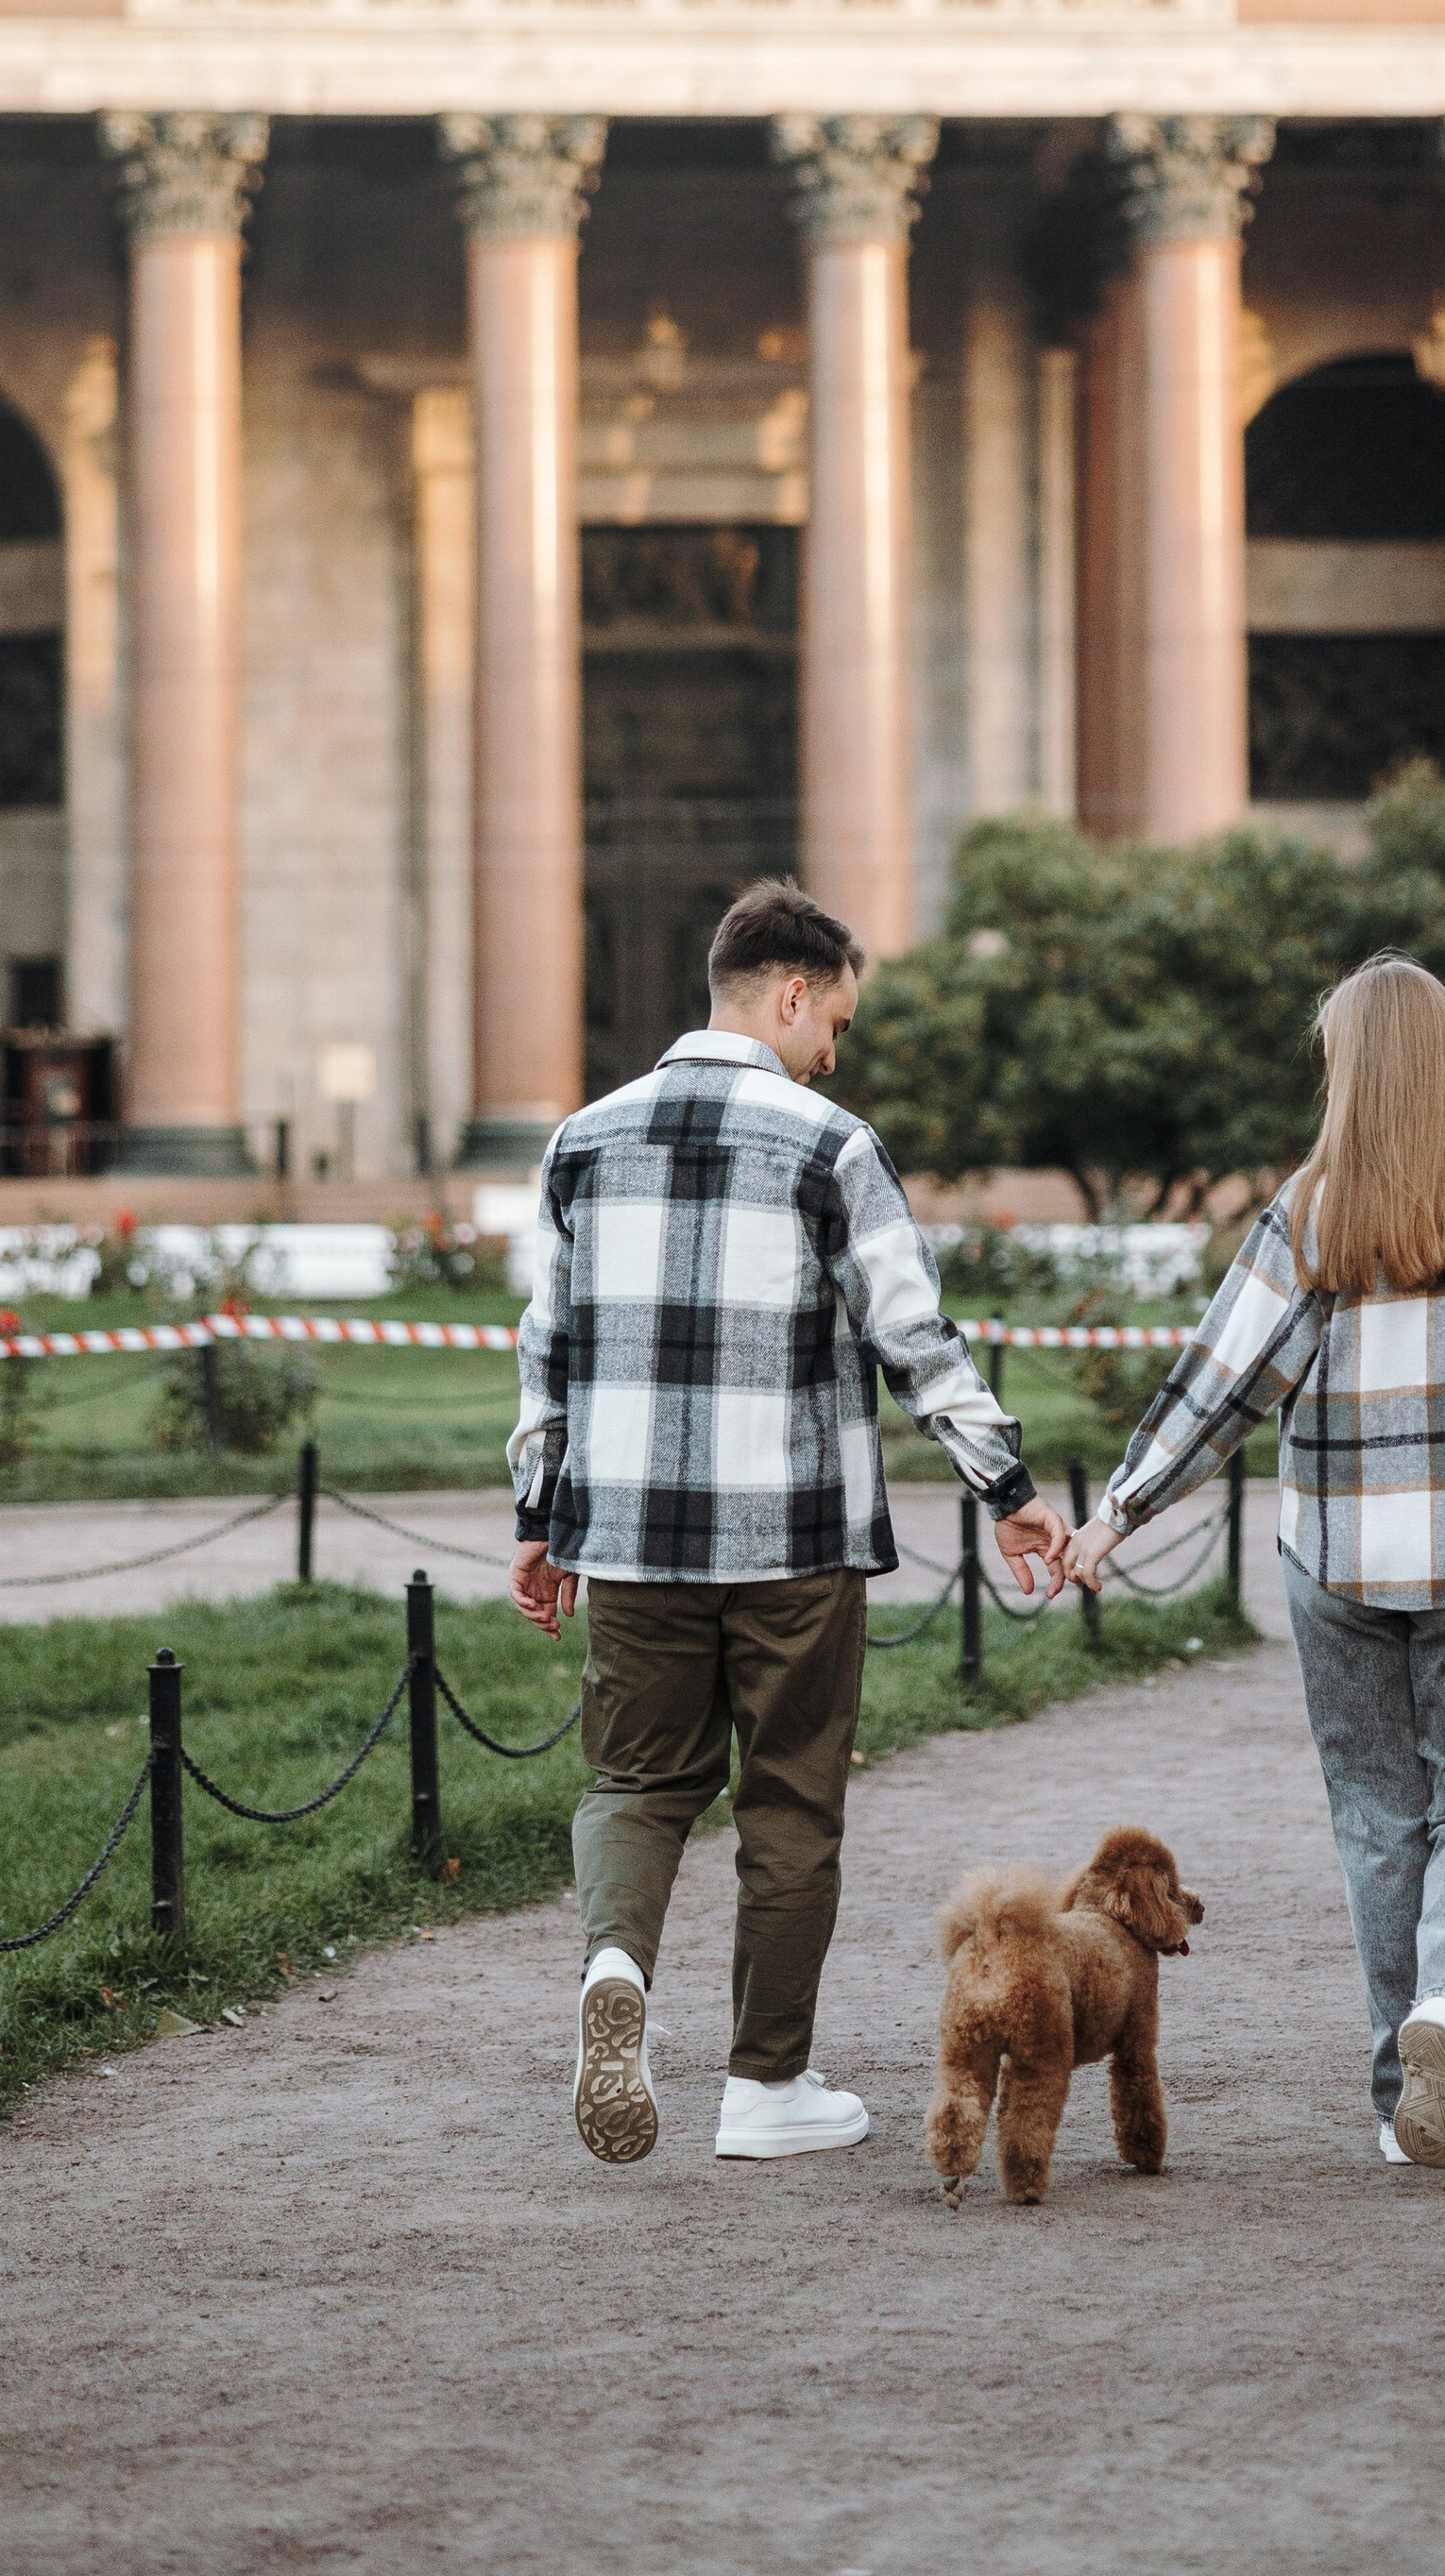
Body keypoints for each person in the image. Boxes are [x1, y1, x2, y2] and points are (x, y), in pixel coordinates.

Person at [509, 876, 1068, 2167]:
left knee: (635, 1783)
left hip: (630, 1534)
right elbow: (912, 1337)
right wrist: (1008, 1490)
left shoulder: (580, 1141)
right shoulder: (831, 1146)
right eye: (837, 1027)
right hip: (795, 1541)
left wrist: (539, 1513)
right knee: (789, 1809)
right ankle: (764, 2090)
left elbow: (550, 1346)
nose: (835, 1055)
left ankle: (617, 1972)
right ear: (793, 995)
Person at [1064, 954, 1445, 2170]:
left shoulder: (1317, 1213)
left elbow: (1225, 1383)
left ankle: (1394, 2089)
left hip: (1340, 1557)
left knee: (1377, 1814)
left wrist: (1117, 1514)